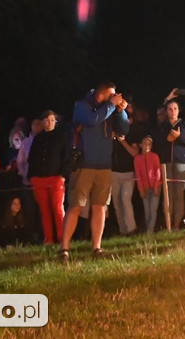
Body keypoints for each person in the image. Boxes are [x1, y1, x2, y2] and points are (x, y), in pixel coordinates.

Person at [59, 81, 128, 261]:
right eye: (112, 94)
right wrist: (111, 106)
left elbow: (124, 128)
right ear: (103, 93)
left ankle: (96, 247)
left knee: (100, 206)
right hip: (84, 165)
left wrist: (121, 112)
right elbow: (92, 120)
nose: (115, 96)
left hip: (104, 165)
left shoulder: (110, 109)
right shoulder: (82, 106)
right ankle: (64, 248)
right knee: (76, 206)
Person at [28, 110, 70, 245]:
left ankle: (62, 237)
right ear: (42, 122)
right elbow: (32, 158)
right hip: (39, 179)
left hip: (56, 177)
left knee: (57, 208)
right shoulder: (38, 138)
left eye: (52, 120)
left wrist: (63, 175)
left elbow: (67, 157)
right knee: (44, 210)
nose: (50, 123)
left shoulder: (62, 137)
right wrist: (32, 176)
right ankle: (49, 238)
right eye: (47, 120)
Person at [153, 96, 185, 231]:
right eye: (170, 109)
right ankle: (168, 225)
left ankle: (177, 224)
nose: (172, 111)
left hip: (181, 162)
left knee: (179, 194)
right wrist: (167, 139)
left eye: (175, 109)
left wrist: (179, 137)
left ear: (179, 110)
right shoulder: (162, 126)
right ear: (166, 111)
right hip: (165, 163)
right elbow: (157, 144)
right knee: (167, 195)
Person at [110, 97, 139, 236]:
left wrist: (123, 142)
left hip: (128, 172)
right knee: (116, 203)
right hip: (114, 171)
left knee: (125, 199)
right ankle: (123, 230)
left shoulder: (133, 131)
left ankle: (131, 229)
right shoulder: (113, 130)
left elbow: (134, 153)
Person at [134, 135, 162, 233]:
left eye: (149, 144)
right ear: (141, 145)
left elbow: (157, 172)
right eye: (145, 144)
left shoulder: (154, 156)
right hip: (145, 188)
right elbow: (138, 175)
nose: (147, 146)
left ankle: (150, 231)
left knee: (153, 210)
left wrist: (156, 186)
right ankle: (148, 229)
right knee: (147, 211)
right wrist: (141, 189)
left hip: (155, 187)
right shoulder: (137, 159)